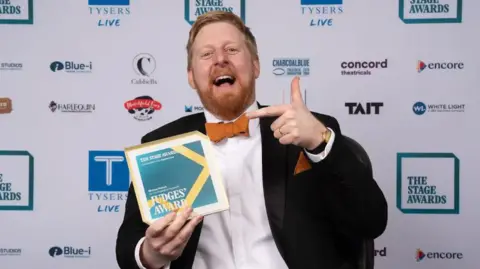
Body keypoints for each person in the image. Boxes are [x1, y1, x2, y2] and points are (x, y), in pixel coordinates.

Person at [116, 10, 388, 269]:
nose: (220, 59)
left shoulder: (310, 130)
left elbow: (371, 221)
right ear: (191, 77)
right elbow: (130, 244)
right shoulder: (164, 143)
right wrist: (150, 253)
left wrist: (320, 142)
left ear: (255, 65)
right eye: (206, 54)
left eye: (232, 50)